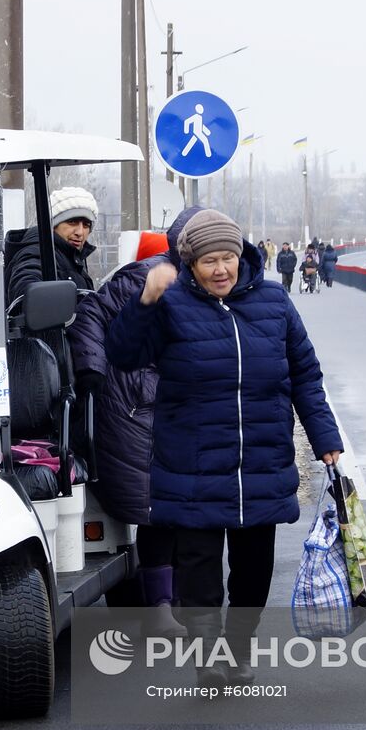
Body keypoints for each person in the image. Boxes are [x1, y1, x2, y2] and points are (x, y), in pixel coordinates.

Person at [106, 209, 344, 686]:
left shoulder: (274, 302)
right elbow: (124, 354)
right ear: (191, 265)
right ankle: (209, 657)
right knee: (198, 575)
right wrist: (146, 301)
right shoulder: (171, 304)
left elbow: (305, 377)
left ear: (242, 257)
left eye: (227, 258)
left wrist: (327, 441)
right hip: (192, 465)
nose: (220, 269)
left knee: (254, 574)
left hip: (261, 460)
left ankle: (238, 650)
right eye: (209, 260)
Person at [68, 207, 202, 635]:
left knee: (192, 511)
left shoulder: (223, 285)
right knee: (156, 508)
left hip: (188, 407)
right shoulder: (142, 277)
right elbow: (91, 317)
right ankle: (159, 608)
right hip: (139, 407)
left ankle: (179, 600)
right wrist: (93, 372)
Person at [5, 186, 97, 303]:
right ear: (53, 225)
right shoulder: (38, 252)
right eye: (72, 222)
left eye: (86, 225)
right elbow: (26, 287)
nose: (80, 232)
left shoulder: (72, 258)